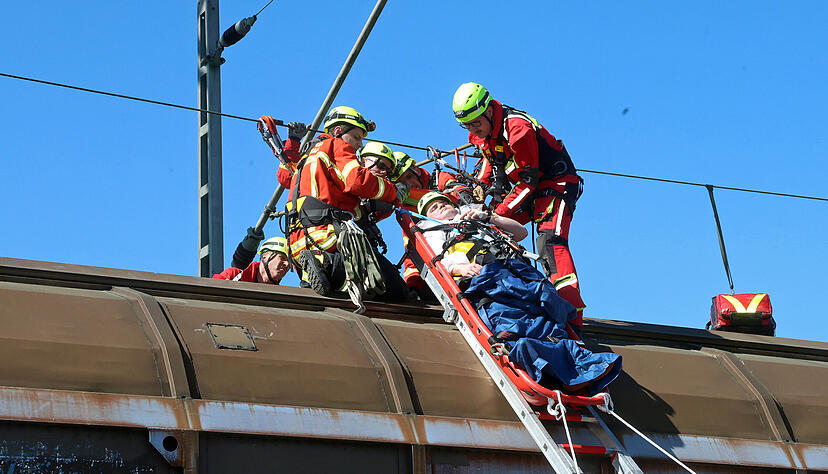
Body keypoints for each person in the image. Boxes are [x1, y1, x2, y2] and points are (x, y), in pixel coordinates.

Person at [416, 193, 620, 395]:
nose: (440, 207)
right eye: (433, 208)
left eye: (443, 203)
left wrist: (490, 218)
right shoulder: (434, 232)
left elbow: (520, 232)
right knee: (512, 323)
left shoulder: (478, 219)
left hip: (519, 273)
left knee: (547, 316)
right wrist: (459, 268)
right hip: (488, 279)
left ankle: (582, 367)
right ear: (428, 217)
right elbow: (439, 261)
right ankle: (558, 368)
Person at [452, 82, 587, 333]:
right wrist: (477, 202)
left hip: (555, 185)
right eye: (467, 125)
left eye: (475, 123)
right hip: (528, 190)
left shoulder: (517, 128)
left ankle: (571, 317)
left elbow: (528, 180)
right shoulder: (484, 133)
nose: (472, 129)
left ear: (489, 109)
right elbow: (490, 167)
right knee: (492, 235)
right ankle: (511, 300)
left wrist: (495, 214)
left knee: (551, 242)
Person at [284, 106, 409, 301]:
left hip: (299, 243)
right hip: (329, 235)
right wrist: (393, 192)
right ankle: (327, 265)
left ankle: (324, 269)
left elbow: (285, 177)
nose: (360, 144)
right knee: (394, 289)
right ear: (337, 131)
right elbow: (357, 181)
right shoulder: (336, 145)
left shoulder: (306, 159)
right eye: (357, 137)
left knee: (342, 292)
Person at [213, 236, 291, 284]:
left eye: (290, 262)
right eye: (282, 258)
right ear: (265, 257)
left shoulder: (280, 296)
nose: (287, 264)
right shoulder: (233, 276)